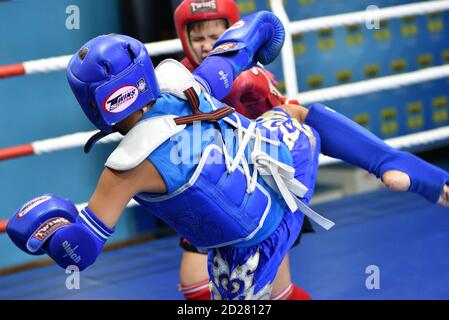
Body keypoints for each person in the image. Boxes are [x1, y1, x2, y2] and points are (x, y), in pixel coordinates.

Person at [6, 11, 449, 300]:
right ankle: (396, 167)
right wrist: (264, 32)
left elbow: (79, 252)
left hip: (244, 248)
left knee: (220, 292)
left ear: (91, 107)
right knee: (296, 116)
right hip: (287, 177)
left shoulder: (123, 171)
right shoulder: (188, 84)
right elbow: (241, 43)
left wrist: (48, 227)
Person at [173, 0, 312, 300]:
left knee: (275, 293)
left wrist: (259, 100)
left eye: (214, 37)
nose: (206, 46)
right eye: (197, 38)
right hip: (208, 192)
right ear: (184, 38)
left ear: (232, 33)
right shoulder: (179, 79)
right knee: (197, 285)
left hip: (263, 192)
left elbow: (289, 121)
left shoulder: (252, 74)